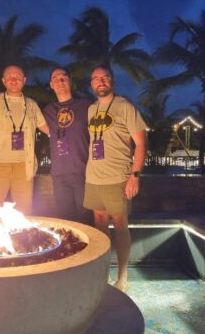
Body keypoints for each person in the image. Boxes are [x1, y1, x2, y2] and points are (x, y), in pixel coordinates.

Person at [84, 65, 147, 292]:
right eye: (96, 78)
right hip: (93, 177)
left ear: (112, 81)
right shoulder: (91, 109)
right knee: (99, 222)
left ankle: (122, 275)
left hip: (118, 176)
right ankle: (103, 271)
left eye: (105, 78)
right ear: (92, 84)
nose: (100, 81)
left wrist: (135, 176)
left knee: (120, 224)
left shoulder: (124, 106)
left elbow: (140, 143)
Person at [0, 65, 49, 215]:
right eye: (10, 77)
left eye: (18, 76)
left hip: (24, 168)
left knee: (24, 214)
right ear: (3, 80)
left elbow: (45, 127)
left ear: (24, 80)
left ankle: (21, 239)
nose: (14, 79)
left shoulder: (32, 105)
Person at [42, 67, 93, 225]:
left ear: (70, 81)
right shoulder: (48, 111)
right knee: (66, 222)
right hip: (58, 175)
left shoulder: (85, 105)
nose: (60, 81)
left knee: (86, 222)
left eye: (63, 77)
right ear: (51, 84)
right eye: (55, 78)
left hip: (82, 172)